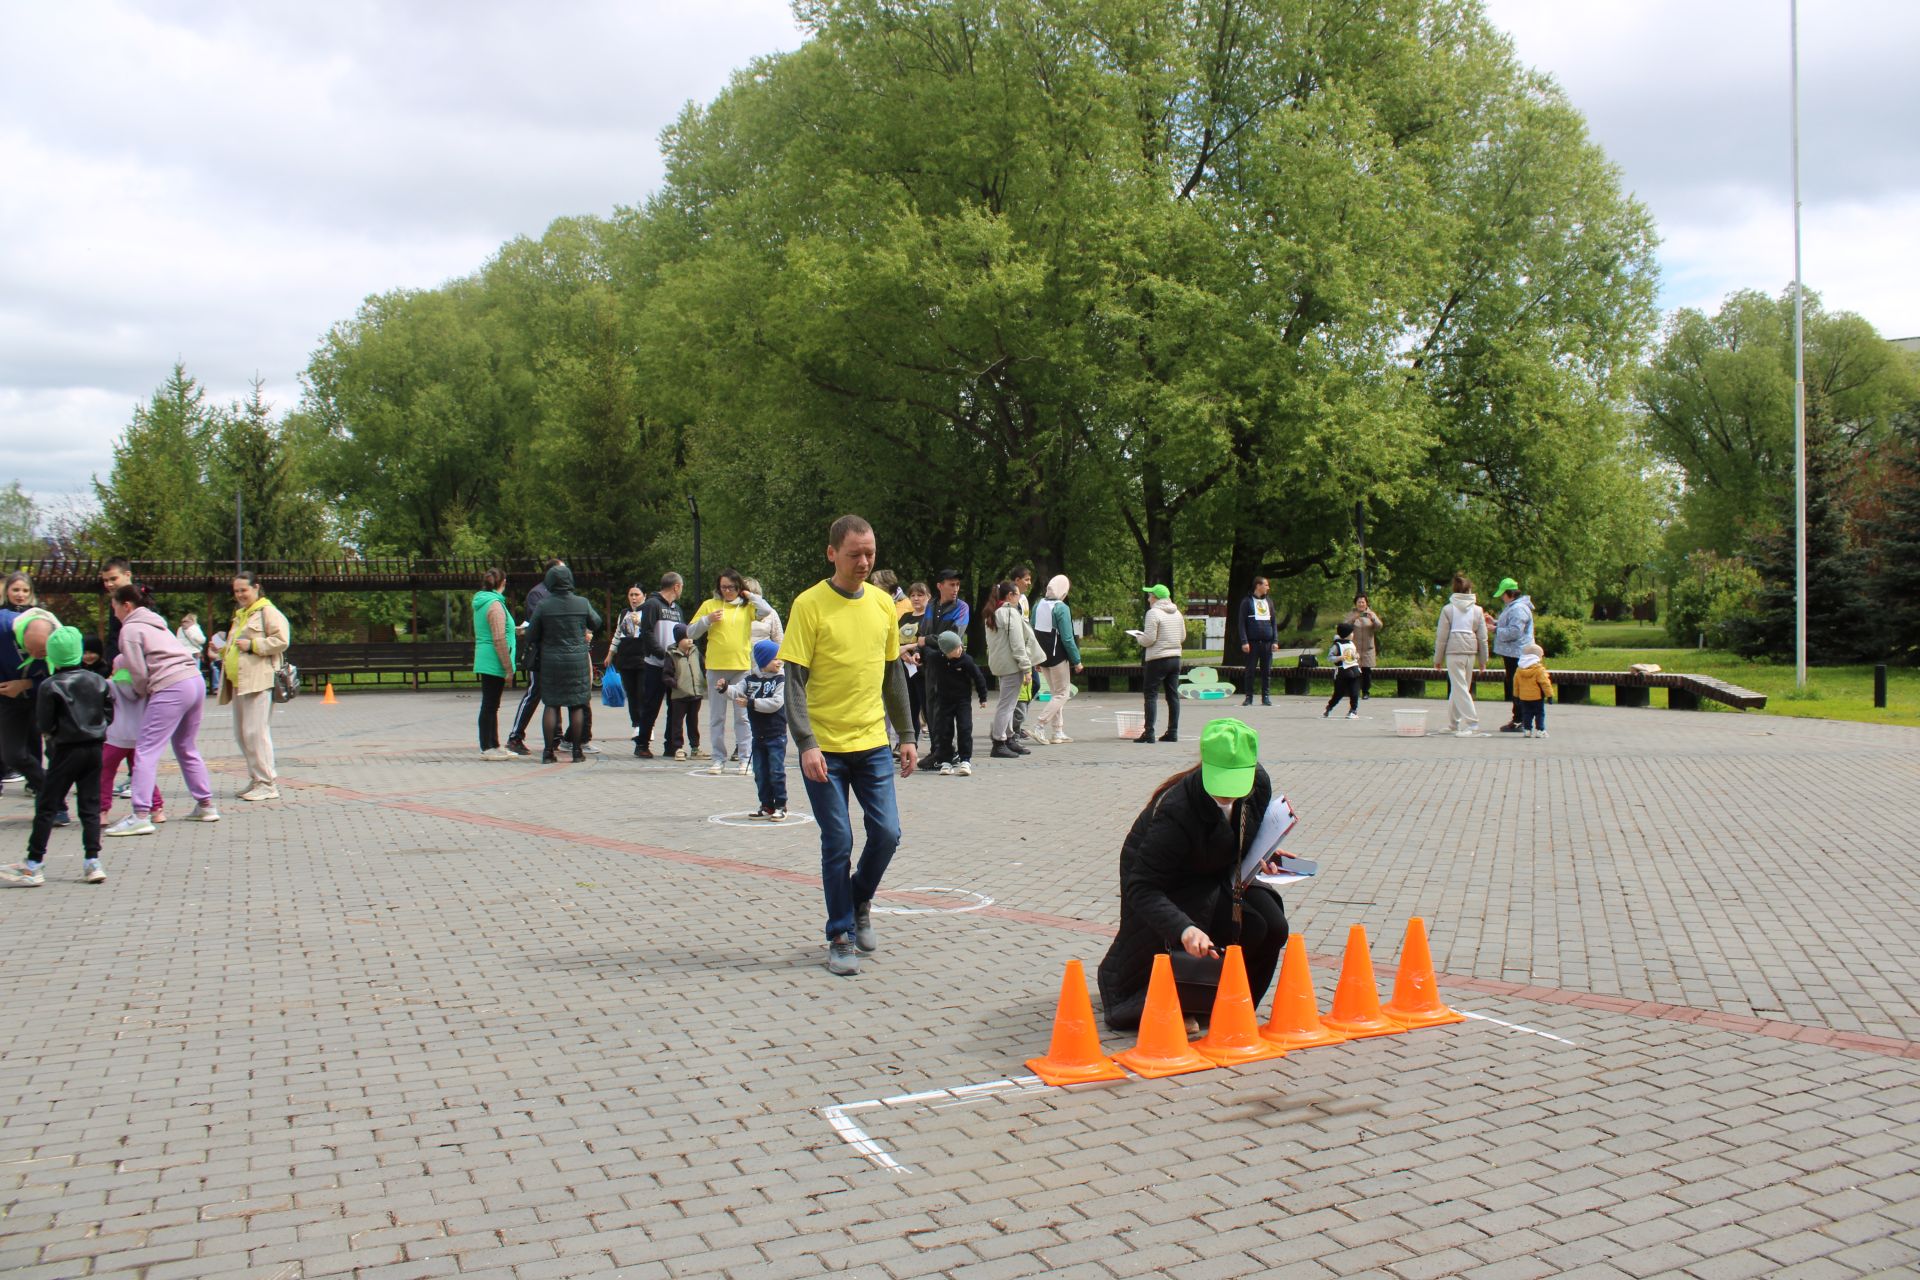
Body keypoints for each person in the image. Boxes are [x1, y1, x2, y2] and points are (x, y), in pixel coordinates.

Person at [778, 514, 916, 977]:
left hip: (873, 741)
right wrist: (806, 742)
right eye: (855, 554)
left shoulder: (882, 605)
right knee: (838, 838)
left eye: (870, 554)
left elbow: (894, 674)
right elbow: (793, 680)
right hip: (824, 748)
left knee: (888, 834)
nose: (864, 562)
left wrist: (908, 735)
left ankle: (858, 901)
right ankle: (840, 933)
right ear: (832, 553)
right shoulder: (809, 605)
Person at [1096, 719, 1289, 1033]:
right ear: (1205, 766)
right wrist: (1184, 929)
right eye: (1221, 784)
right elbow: (1142, 886)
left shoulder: (1258, 784)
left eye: (1236, 784)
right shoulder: (1177, 809)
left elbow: (1241, 835)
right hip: (1170, 883)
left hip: (1217, 873)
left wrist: (1266, 853)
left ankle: (1236, 1001)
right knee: (1246, 927)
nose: (1228, 796)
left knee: (1275, 927)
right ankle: (1190, 999)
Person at [0, 627, 111, 887]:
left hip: (66, 749)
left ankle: (34, 862)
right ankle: (92, 861)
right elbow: (109, 714)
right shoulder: (97, 680)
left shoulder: (50, 685)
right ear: (79, 652)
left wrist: (54, 733)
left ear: (52, 655)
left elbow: (44, 722)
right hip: (95, 748)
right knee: (90, 805)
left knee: (48, 805)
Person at [105, 586, 219, 833]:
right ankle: (206, 805)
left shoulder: (130, 629)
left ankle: (140, 815)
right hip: (195, 681)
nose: (113, 613)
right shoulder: (158, 624)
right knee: (186, 746)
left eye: (114, 607)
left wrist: (140, 692)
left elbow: (138, 672)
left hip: (171, 686)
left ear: (126, 605)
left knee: (145, 749)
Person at [688, 569, 775, 776]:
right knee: (717, 717)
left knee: (742, 717)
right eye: (724, 587)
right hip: (716, 667)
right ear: (718, 587)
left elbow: (766, 610)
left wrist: (749, 595)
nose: (728, 591)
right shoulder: (710, 605)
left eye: (732, 587)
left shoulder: (747, 607)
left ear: (739, 588)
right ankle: (718, 759)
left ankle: (745, 759)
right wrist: (707, 620)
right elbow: (690, 632)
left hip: (741, 668)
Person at [221, 570, 292, 800]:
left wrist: (253, 645)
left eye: (244, 590)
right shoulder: (241, 614)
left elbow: (282, 641)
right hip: (239, 682)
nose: (240, 594)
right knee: (242, 734)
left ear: (256, 588)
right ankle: (256, 779)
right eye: (236, 591)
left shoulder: (268, 611)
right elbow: (235, 644)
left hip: (259, 680)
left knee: (256, 733)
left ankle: (267, 783)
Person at [522, 564, 601, 763]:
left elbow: (531, 634)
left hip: (551, 661)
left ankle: (548, 752)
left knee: (551, 704)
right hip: (576, 661)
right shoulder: (581, 603)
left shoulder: (544, 605)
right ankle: (576, 751)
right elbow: (597, 622)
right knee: (576, 705)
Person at [0, 588, 56, 802]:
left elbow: (63, 678)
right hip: (8, 698)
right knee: (12, 754)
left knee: (57, 751)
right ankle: (47, 789)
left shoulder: (60, 637)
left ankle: (57, 805)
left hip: (43, 697)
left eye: (42, 654)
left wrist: (27, 683)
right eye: (31, 650)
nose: (35, 656)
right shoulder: (4, 625)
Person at [100, 656, 165, 825]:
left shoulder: (109, 685)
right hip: (141, 737)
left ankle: (102, 811)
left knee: (105, 773)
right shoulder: (146, 686)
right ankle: (156, 809)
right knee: (143, 773)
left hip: (115, 737)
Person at [735, 639, 789, 820]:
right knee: (760, 773)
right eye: (775, 658)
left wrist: (750, 703)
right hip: (758, 736)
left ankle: (781, 805)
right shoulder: (750, 679)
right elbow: (737, 690)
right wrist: (725, 688)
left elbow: (775, 704)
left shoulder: (780, 679)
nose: (779, 661)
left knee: (776, 772)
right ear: (764, 661)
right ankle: (767, 805)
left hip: (776, 734)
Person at [983, 580, 1037, 760]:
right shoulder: (1009, 613)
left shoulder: (993, 613)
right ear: (1010, 596)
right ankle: (999, 741)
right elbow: (1017, 643)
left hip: (1000, 664)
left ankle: (1008, 738)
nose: (1019, 598)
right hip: (1011, 665)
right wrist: (1026, 667)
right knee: (1007, 705)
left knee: (1008, 703)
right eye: (1017, 595)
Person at [634, 572, 685, 758]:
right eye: (681, 587)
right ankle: (642, 744)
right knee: (651, 706)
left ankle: (671, 745)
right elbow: (646, 632)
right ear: (676, 587)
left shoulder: (677, 610)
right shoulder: (652, 605)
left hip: (673, 665)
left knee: (675, 706)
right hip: (655, 664)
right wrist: (662, 655)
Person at [1432, 573, 1489, 737]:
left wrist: (1438, 659)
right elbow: (1483, 638)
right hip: (1470, 652)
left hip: (1453, 651)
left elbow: (1441, 637)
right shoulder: (1478, 610)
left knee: (1459, 688)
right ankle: (1453, 723)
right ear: (1469, 590)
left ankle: (1472, 723)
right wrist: (1483, 660)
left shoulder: (1448, 609)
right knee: (1460, 688)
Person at [1028, 575, 1083, 745]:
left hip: (1042, 656)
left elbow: (1032, 630)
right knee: (1062, 693)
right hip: (1058, 656)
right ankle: (1039, 725)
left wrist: (1035, 658)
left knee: (1055, 694)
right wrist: (1077, 660)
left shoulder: (1038, 604)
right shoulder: (1061, 608)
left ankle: (1058, 731)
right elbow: (1067, 638)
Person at [924, 631, 987, 776]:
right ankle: (946, 761)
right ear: (946, 651)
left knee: (965, 728)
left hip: (962, 701)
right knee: (944, 731)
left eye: (961, 646)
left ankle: (965, 760)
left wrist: (983, 697)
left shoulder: (966, 660)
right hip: (944, 701)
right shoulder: (935, 659)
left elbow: (978, 678)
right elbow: (924, 651)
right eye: (956, 648)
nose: (960, 650)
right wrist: (915, 653)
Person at [471, 568, 517, 759]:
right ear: (503, 582)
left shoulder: (482, 601)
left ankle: (495, 745)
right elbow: (498, 638)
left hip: (486, 657)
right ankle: (487, 747)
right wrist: (508, 667)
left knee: (492, 704)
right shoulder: (495, 605)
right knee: (489, 704)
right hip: (493, 659)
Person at [1136, 584, 1186, 745]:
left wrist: (1138, 637)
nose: (1148, 598)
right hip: (1175, 658)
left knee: (1150, 695)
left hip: (1157, 659)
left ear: (1156, 598)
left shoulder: (1153, 613)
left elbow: (1149, 639)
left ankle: (1149, 733)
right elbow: (1183, 637)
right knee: (1173, 696)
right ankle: (1172, 732)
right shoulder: (1177, 613)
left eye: (1150, 595)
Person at [608, 584, 651, 751]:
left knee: (642, 693)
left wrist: (640, 622)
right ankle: (636, 723)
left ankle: (646, 726)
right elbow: (618, 634)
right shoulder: (624, 613)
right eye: (631, 595)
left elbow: (652, 631)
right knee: (631, 694)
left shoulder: (648, 612)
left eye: (637, 594)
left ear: (644, 596)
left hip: (643, 658)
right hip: (626, 659)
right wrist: (610, 653)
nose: (634, 598)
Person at [1491, 577, 1534, 732]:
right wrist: (1495, 622)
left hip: (1517, 654)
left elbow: (1515, 631)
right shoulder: (1514, 607)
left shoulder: (1517, 609)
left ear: (1509, 593)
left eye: (1503, 594)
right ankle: (1518, 718)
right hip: (1512, 653)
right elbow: (1510, 624)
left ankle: (1520, 720)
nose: (1501, 597)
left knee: (1518, 687)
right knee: (1514, 686)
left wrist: (1495, 630)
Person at [98, 558, 151, 664]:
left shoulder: (140, 597)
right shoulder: (117, 599)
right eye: (105, 580)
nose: (109, 584)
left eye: (113, 579)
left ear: (127, 575)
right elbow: (114, 634)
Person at [665, 623, 705, 759]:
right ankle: (677, 748)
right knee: (677, 722)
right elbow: (666, 675)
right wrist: (676, 684)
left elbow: (703, 667)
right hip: (679, 695)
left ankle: (695, 747)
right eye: (686, 638)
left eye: (691, 637)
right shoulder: (671, 654)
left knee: (693, 721)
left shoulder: (696, 652)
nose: (690, 640)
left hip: (696, 694)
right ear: (678, 640)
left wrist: (703, 682)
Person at [898, 581, 931, 748]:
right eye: (913, 595)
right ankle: (909, 743)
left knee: (927, 707)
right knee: (909, 707)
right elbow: (894, 638)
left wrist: (906, 648)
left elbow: (925, 639)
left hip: (921, 667)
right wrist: (901, 652)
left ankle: (938, 746)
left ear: (928, 597)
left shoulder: (930, 617)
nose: (916, 598)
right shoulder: (905, 617)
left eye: (920, 595)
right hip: (903, 668)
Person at [1239, 577, 1277, 706]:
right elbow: (1241, 623)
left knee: (1266, 671)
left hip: (1267, 642)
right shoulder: (1247, 602)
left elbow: (1273, 623)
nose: (1268, 587)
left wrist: (1275, 640)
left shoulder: (1269, 602)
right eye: (1266, 585)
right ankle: (1249, 697)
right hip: (1252, 643)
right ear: (1258, 586)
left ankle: (1265, 696)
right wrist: (1244, 641)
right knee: (1250, 671)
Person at [1345, 594, 1384, 699]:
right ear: (1355, 603)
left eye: (1363, 602)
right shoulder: (1351, 614)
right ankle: (1353, 691)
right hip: (1354, 648)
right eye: (1359, 602)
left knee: (1367, 671)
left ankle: (1366, 692)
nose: (1361, 604)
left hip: (1368, 648)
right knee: (1354, 670)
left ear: (1366, 603)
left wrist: (1373, 619)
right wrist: (1353, 619)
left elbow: (1379, 626)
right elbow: (1344, 627)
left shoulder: (1371, 614)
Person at [1513, 642, 1554, 738]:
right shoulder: (1539, 670)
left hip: (1524, 698)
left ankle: (1527, 730)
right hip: (1537, 697)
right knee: (1540, 714)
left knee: (1526, 714)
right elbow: (1545, 683)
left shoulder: (1519, 670)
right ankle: (1540, 730)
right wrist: (1549, 695)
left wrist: (1516, 696)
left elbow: (1516, 685)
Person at [1322, 622, 1361, 719]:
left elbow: (1355, 655)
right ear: (1346, 634)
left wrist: (1356, 656)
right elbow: (1329, 658)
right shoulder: (1337, 645)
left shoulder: (1352, 644)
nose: (1353, 634)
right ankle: (1330, 707)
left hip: (1354, 670)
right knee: (1339, 693)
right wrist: (1339, 658)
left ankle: (1353, 710)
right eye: (1351, 633)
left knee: (1354, 692)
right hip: (1343, 672)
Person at [742, 577, 784, 646]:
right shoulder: (737, 611)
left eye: (754, 594)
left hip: (764, 654)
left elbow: (779, 638)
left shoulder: (771, 612)